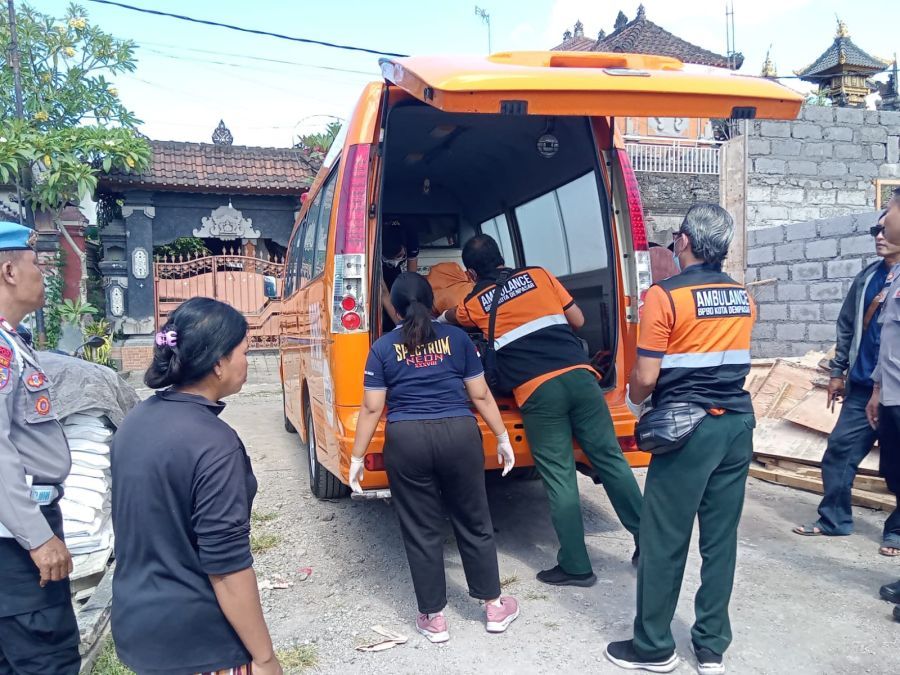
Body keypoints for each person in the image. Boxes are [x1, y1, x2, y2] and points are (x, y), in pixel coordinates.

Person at [439, 235, 643, 587]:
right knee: (611, 461)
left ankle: (577, 566)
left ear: (471, 272)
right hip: (583, 379)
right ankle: (652, 544)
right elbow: (577, 320)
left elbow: (448, 318)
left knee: (559, 475)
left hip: (537, 391)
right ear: (503, 258)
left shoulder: (477, 301)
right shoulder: (540, 274)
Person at [606, 204, 756, 674]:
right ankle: (711, 646)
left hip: (688, 430)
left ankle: (653, 647)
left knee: (663, 537)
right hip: (736, 426)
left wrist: (632, 399)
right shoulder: (744, 296)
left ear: (684, 241)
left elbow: (647, 377)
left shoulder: (663, 297)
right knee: (720, 539)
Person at [111, 298, 282, 675]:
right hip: (198, 643)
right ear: (218, 363)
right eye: (244, 352)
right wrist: (265, 658)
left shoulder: (135, 421)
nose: (248, 363)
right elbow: (226, 567)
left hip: (137, 626)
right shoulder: (215, 444)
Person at [349, 272, 520, 643]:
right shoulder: (457, 339)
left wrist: (356, 458)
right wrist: (503, 436)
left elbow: (371, 408)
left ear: (393, 307)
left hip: (406, 440)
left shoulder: (381, 348)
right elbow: (481, 396)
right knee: (474, 519)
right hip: (459, 434)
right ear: (432, 302)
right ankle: (493, 606)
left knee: (421, 528)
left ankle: (434, 618)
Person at [793, 205, 900, 547]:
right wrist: (838, 371)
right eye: (875, 231)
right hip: (862, 389)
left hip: (896, 393)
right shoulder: (867, 278)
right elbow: (846, 325)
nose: (880, 236)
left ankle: (896, 531)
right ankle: (835, 519)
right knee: (839, 451)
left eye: (887, 229)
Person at [0, 222, 80, 675]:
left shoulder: (12, 342)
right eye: (36, 263)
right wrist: (39, 537)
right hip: (16, 538)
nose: (43, 274)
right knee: (45, 656)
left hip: (16, 529)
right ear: (10, 271)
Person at [867, 189, 900, 623]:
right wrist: (876, 390)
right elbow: (887, 345)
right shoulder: (893, 279)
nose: (882, 223)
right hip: (892, 399)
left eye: (889, 212)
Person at [381, 219, 419, 327]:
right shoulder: (375, 250)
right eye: (391, 258)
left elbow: (411, 280)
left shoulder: (411, 241)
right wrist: (401, 326)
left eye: (399, 256)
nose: (395, 261)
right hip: (381, 265)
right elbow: (384, 293)